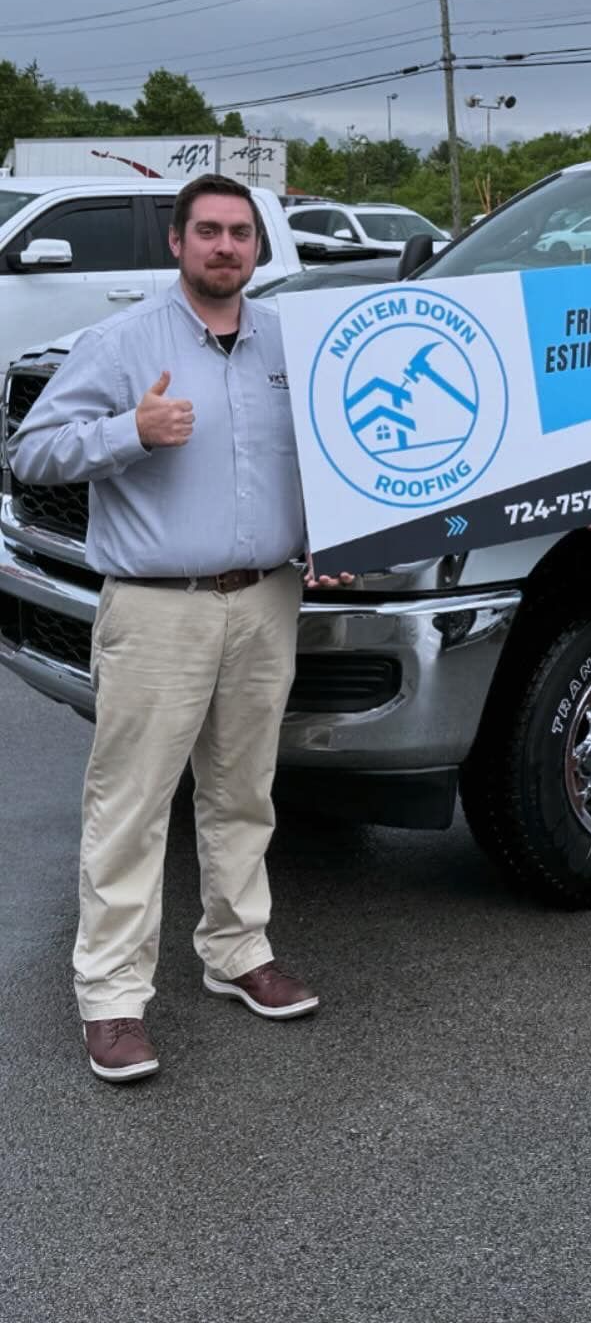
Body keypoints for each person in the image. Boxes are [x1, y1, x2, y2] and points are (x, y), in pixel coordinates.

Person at [10, 174, 349, 1083]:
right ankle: (113, 999)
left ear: (259, 249)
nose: (226, 247)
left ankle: (237, 951)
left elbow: (324, 459)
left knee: (244, 793)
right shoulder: (121, 342)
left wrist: (334, 537)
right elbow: (30, 450)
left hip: (266, 599)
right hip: (158, 606)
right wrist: (129, 429)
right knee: (131, 805)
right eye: (208, 232)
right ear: (177, 243)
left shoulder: (292, 344)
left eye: (241, 233)